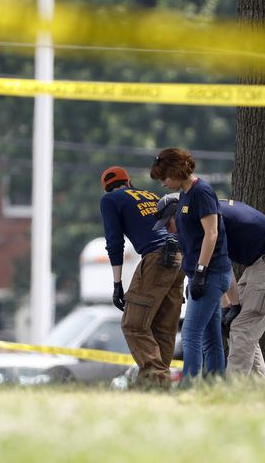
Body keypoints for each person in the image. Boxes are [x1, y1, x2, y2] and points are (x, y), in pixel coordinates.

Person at [155, 195, 265, 378]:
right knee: (238, 327)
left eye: (169, 223)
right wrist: (229, 306)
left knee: (241, 327)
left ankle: (231, 394)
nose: (169, 230)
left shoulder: (205, 220)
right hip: (263, 263)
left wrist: (233, 305)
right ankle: (260, 393)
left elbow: (222, 266)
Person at [150, 148, 232, 382]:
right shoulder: (185, 194)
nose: (163, 183)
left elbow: (212, 233)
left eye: (164, 177)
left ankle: (190, 385)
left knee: (190, 333)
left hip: (210, 274)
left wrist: (200, 272)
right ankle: (215, 384)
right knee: (211, 337)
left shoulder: (202, 192)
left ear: (175, 171)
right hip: (200, 275)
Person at [99, 166, 185, 387]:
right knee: (164, 328)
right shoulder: (150, 195)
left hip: (157, 258)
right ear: (128, 182)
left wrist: (117, 284)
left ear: (107, 189)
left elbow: (115, 242)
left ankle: (156, 381)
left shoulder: (110, 200)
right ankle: (159, 386)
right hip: (179, 257)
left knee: (133, 324)